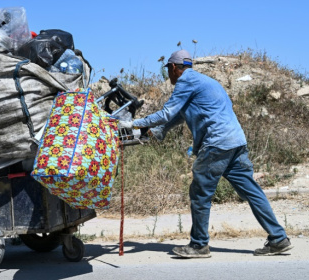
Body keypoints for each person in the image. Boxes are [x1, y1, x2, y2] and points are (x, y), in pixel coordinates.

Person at [119, 49, 293, 258]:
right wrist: (159, 131)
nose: (169, 75)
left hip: (217, 144)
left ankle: (199, 245)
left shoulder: (185, 82)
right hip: (236, 142)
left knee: (200, 194)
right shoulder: (204, 81)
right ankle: (279, 239)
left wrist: (133, 123)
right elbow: (180, 115)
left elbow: (167, 112)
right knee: (251, 191)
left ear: (174, 68)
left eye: (169, 70)